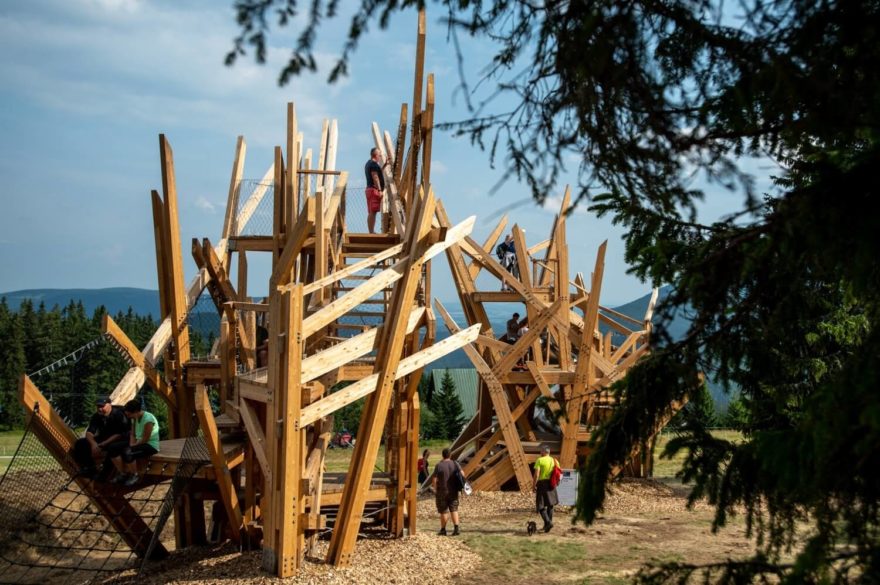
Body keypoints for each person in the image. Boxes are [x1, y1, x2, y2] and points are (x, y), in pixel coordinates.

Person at [72, 395, 130, 479]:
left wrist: (102, 444)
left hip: (119, 439)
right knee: (80, 443)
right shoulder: (97, 416)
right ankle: (89, 468)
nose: (99, 409)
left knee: (112, 448)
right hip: (104, 438)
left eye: (102, 406)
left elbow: (119, 434)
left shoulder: (118, 415)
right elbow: (89, 432)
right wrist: (93, 444)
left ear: (109, 405)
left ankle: (105, 474)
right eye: (98, 406)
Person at [109, 399, 160, 487]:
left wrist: (132, 446)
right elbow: (132, 434)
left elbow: (145, 439)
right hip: (138, 442)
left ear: (136, 411)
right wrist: (131, 444)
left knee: (127, 452)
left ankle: (135, 475)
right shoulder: (134, 418)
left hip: (150, 445)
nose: (128, 417)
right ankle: (122, 473)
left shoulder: (148, 420)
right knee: (112, 448)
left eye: (129, 414)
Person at [432, 448, 463, 536]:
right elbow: (462, 474)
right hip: (454, 491)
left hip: (442, 491)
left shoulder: (439, 465)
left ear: (442, 455)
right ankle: (456, 528)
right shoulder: (455, 464)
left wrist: (435, 488)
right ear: (450, 455)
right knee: (454, 509)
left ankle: (443, 530)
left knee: (443, 511)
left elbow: (434, 479)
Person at [533, 444, 559, 532]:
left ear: (544, 452)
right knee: (550, 505)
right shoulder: (555, 460)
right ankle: (547, 527)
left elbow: (536, 474)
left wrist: (534, 485)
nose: (540, 452)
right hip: (551, 484)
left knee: (540, 505)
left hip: (542, 484)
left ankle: (548, 522)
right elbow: (559, 474)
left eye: (541, 450)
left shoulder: (540, 460)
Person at [364, 147, 386, 234]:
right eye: (379, 155)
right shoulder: (374, 164)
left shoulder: (368, 163)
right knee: (373, 212)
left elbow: (377, 172)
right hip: (374, 190)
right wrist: (380, 190)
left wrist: (385, 165)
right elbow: (375, 177)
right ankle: (371, 232)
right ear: (375, 155)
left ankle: (371, 231)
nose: (380, 157)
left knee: (371, 211)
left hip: (369, 190)